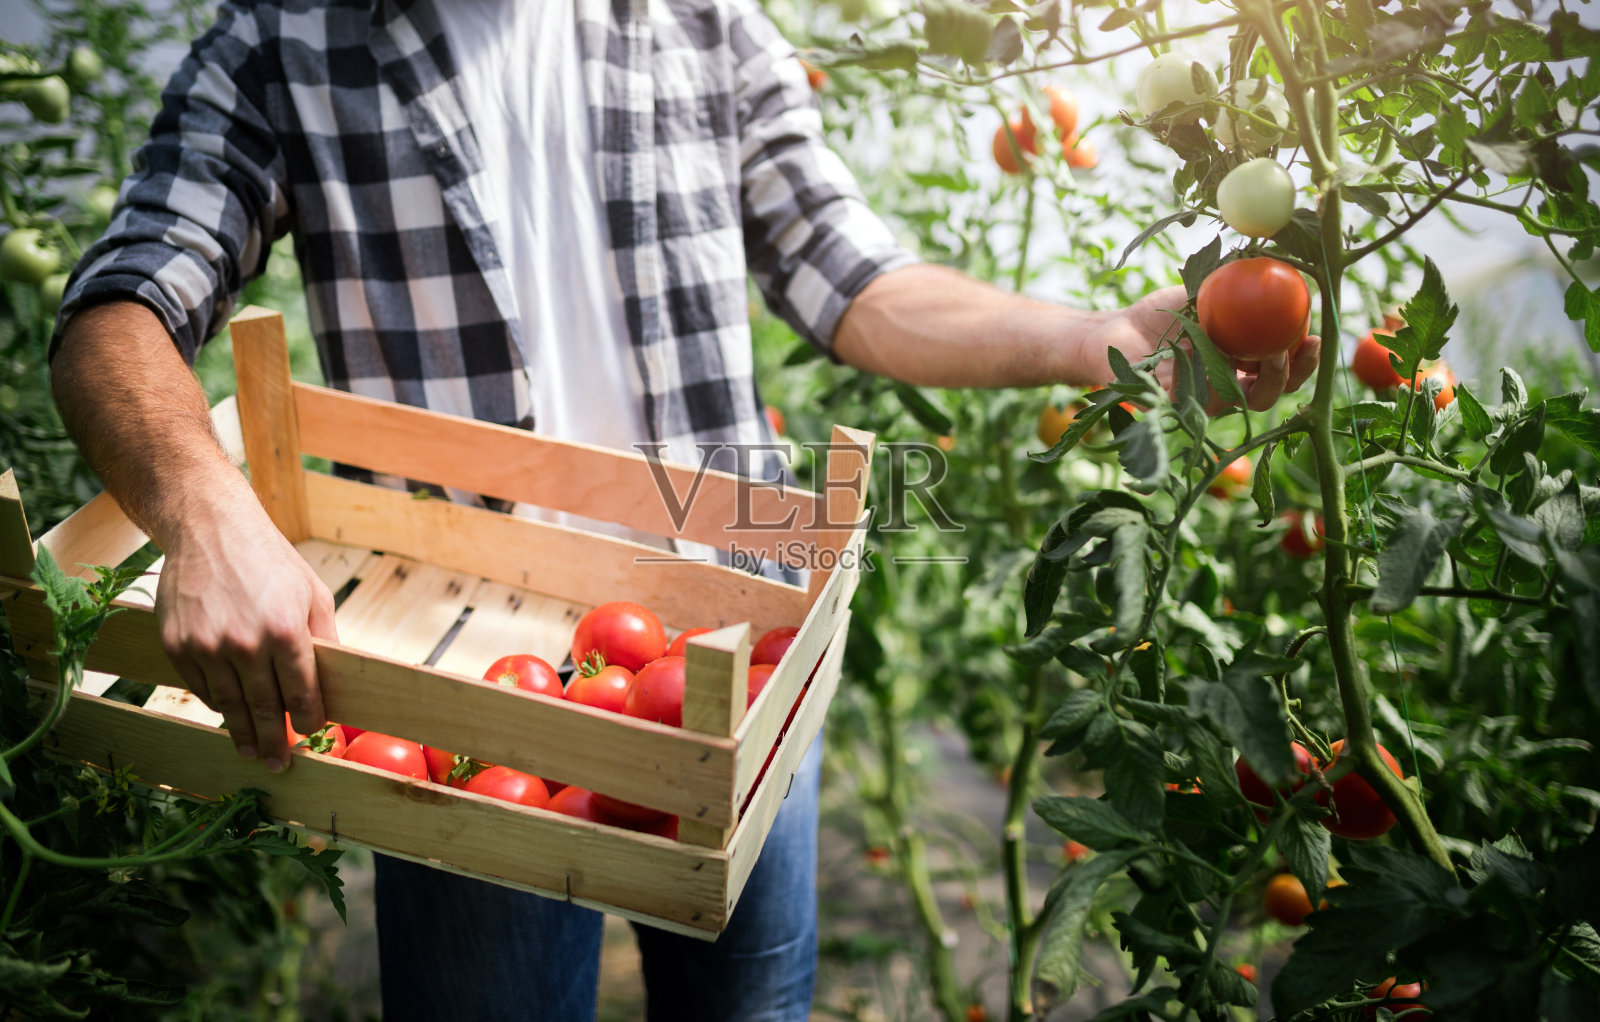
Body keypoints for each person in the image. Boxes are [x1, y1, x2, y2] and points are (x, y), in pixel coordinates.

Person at [47, 1, 1319, 1019]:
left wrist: (1090, 338)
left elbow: (855, 279)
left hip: (737, 639)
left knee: (750, 999)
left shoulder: (698, 20)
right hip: (468, 674)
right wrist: (207, 514)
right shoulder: (282, 37)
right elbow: (120, 304)